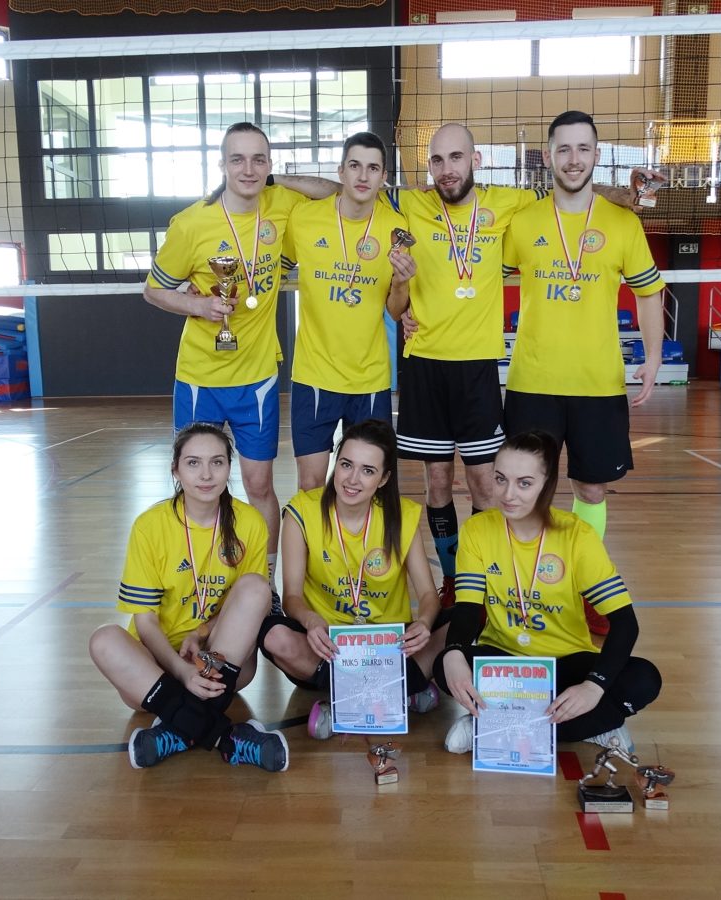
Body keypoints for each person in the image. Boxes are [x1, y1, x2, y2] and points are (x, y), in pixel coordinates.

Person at [389, 124, 645, 610]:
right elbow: (346, 189)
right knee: (437, 484)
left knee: (485, 485)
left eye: (457, 157)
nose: (447, 168)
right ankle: (453, 581)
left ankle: (487, 578)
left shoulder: (509, 202)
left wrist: (626, 195)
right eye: (437, 160)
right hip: (423, 365)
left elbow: (572, 187)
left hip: (478, 370)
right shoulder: (411, 204)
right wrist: (273, 180)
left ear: (476, 160)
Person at [144, 122, 329, 614]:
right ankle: (200, 583)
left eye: (258, 159)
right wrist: (197, 306)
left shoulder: (281, 204)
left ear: (269, 164)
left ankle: (264, 584)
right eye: (238, 159)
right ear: (221, 164)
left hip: (257, 378)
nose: (248, 169)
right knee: (197, 487)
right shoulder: (191, 224)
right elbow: (153, 290)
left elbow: (334, 192)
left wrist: (278, 180)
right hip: (200, 378)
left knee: (260, 486)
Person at [502, 110, 666, 634]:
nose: (573, 159)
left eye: (583, 149)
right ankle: (526, 586)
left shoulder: (623, 222)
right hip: (532, 382)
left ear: (597, 155)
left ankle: (585, 587)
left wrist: (653, 356)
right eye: (564, 149)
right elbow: (479, 283)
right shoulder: (523, 221)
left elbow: (649, 293)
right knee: (528, 492)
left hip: (598, 385)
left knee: (591, 491)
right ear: (548, 156)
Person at [433, 430, 661, 756]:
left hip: (567, 662)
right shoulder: (477, 530)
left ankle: (492, 725)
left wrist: (593, 686)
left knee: (644, 678)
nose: (508, 494)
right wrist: (454, 652)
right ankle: (590, 725)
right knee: (445, 666)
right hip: (506, 661)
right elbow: (468, 608)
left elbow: (625, 623)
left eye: (524, 483)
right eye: (500, 479)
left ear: (547, 483)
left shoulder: (577, 535)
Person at [89, 423, 289, 773]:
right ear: (176, 470)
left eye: (217, 462)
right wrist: (180, 670)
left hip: (219, 658)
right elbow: (145, 621)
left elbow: (249, 605)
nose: (206, 474)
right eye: (193, 463)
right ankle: (226, 739)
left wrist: (200, 633)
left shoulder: (250, 523)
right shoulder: (150, 526)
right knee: (103, 639)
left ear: (230, 467)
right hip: (156, 666)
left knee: (258, 587)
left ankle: (177, 727)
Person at [258, 419, 446, 739]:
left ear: (384, 478)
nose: (352, 479)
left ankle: (345, 702)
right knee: (273, 636)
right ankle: (399, 692)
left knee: (456, 625)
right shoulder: (302, 511)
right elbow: (291, 597)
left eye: (367, 470)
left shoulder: (401, 515)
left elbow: (429, 594)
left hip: (389, 649)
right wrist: (310, 620)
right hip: (327, 647)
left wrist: (425, 623)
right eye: (346, 464)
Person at [281, 131, 417, 491]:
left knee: (370, 487)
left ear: (383, 176)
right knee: (311, 485)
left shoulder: (396, 228)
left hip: (369, 378)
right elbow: (272, 266)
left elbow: (395, 309)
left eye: (372, 168)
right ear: (341, 171)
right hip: (314, 374)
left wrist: (401, 283)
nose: (363, 176)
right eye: (355, 166)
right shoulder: (304, 218)